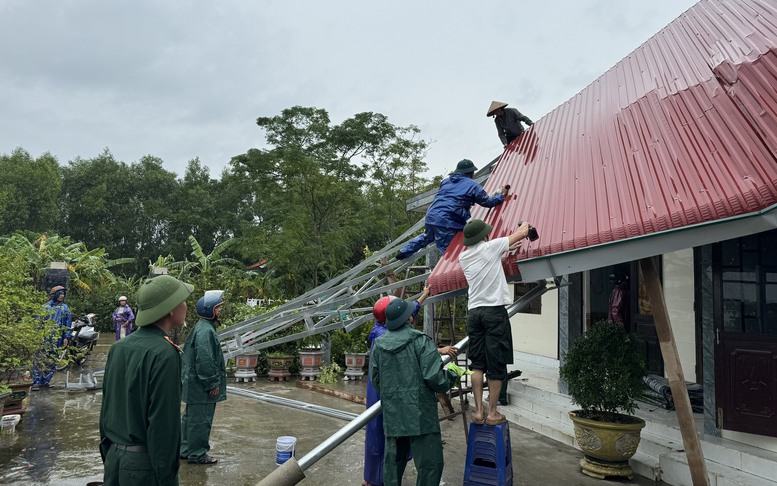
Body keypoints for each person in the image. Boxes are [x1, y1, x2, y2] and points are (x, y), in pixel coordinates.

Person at [99, 275, 193, 486]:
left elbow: (106, 408)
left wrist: (110, 455)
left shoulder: (119, 348)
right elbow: (164, 425)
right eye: (183, 301)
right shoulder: (164, 354)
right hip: (144, 467)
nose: (186, 306)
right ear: (170, 309)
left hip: (115, 459)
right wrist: (167, 477)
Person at [363, 287, 457, 486]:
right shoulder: (421, 342)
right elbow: (435, 378)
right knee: (430, 465)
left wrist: (392, 396)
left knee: (393, 464)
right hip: (421, 416)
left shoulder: (379, 345)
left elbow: (376, 380)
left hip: (394, 415)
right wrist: (452, 374)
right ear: (409, 319)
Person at [459, 219, 531, 425]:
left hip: (474, 313)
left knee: (477, 364)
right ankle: (492, 413)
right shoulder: (491, 247)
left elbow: (490, 257)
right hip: (494, 313)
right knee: (496, 364)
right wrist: (523, 224)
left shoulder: (464, 257)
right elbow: (523, 231)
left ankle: (479, 412)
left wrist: (505, 247)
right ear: (484, 235)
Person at [396, 159, 508, 261]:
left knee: (427, 237)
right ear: (471, 173)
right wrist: (501, 196)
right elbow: (488, 202)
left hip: (431, 215)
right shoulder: (472, 185)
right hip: (447, 220)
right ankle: (454, 272)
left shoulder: (446, 181)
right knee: (451, 252)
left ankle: (404, 252)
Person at [180, 290, 227, 465]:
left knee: (190, 420)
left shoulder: (202, 327)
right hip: (201, 387)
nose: (220, 311)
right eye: (218, 308)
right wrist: (212, 383)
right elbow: (205, 360)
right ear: (209, 310)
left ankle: (185, 449)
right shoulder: (205, 331)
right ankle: (198, 454)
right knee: (200, 421)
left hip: (193, 385)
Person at [32, 285, 72, 390]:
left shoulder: (65, 308)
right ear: (55, 295)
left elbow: (68, 324)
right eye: (60, 294)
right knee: (39, 359)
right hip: (44, 337)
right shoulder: (45, 307)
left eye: (63, 294)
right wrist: (37, 335)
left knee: (52, 360)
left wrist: (66, 337)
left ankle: (46, 381)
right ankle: (36, 381)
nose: (62, 296)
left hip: (57, 338)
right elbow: (38, 322)